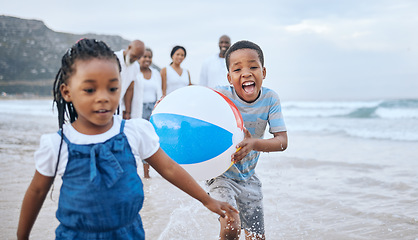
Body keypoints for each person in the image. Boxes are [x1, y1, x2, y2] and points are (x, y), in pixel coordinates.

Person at [16, 39, 238, 240]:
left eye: (112, 88)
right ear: (67, 92)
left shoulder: (135, 132)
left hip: (128, 234)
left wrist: (206, 199)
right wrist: (22, 236)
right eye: (90, 89)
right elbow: (36, 192)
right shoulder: (57, 145)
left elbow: (169, 168)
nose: (103, 97)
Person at [208, 40, 288, 240]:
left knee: (256, 238)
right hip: (220, 175)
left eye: (253, 67)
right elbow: (195, 103)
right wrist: (169, 103)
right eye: (237, 69)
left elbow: (282, 141)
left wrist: (254, 144)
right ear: (229, 77)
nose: (246, 73)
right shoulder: (221, 94)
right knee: (231, 224)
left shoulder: (270, 99)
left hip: (248, 177)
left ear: (264, 72)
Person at [138, 47, 162, 178]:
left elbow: (159, 92)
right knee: (142, 139)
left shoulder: (155, 73)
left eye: (149, 57)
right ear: (139, 58)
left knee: (154, 139)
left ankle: (157, 171)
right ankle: (145, 174)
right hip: (139, 109)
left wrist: (158, 108)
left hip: (153, 108)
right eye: (144, 57)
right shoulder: (135, 73)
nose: (147, 59)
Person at [114, 40, 145, 119]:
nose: (134, 59)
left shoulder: (135, 67)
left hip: (119, 107)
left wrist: (128, 112)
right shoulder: (113, 59)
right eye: (134, 56)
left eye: (138, 58)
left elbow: (130, 88)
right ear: (129, 48)